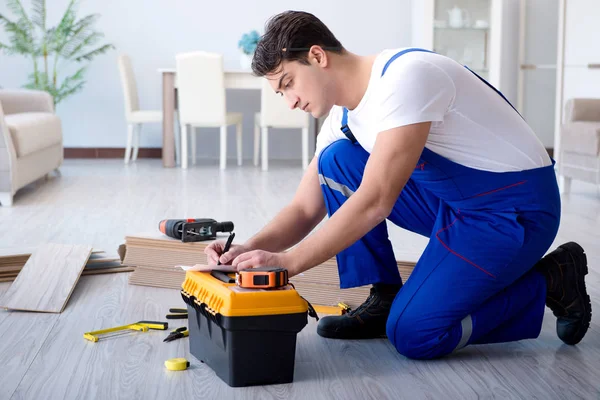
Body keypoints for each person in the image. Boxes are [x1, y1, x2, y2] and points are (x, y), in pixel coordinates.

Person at [205, 10, 591, 359]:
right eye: (280, 91)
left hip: (514, 211)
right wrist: (246, 250)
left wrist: (288, 264)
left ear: (318, 56)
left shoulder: (406, 77)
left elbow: (376, 201)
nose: (289, 101)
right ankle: (385, 297)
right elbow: (304, 209)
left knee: (416, 334)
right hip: (454, 204)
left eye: (288, 83)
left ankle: (552, 278)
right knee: (336, 161)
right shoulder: (341, 117)